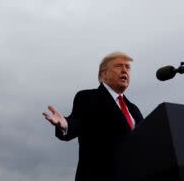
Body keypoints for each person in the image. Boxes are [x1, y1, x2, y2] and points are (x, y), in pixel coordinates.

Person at [43, 51, 144, 181]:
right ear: (104, 74)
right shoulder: (88, 98)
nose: (125, 71)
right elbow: (78, 122)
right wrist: (65, 124)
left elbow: (143, 142)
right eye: (119, 66)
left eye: (127, 67)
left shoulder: (134, 110)